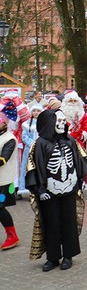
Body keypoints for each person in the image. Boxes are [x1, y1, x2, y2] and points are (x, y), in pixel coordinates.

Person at [25, 109, 87, 271]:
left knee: (69, 222)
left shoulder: (69, 140)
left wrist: (81, 181)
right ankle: (53, 257)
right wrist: (39, 189)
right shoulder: (39, 144)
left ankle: (68, 255)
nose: (62, 124)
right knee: (51, 223)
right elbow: (33, 167)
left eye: (63, 121)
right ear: (49, 123)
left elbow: (78, 161)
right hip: (49, 191)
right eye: (58, 121)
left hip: (69, 188)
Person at [0, 105, 20, 250]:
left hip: (4, 181)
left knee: (0, 208)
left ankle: (12, 236)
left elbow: (3, 159)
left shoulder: (9, 139)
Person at [18, 103, 43, 197]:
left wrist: (41, 143)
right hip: (29, 150)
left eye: (38, 111)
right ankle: (26, 187)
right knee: (28, 168)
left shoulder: (44, 123)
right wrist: (33, 143)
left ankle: (40, 187)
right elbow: (24, 137)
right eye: (34, 111)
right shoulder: (27, 124)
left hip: (41, 149)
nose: (36, 113)